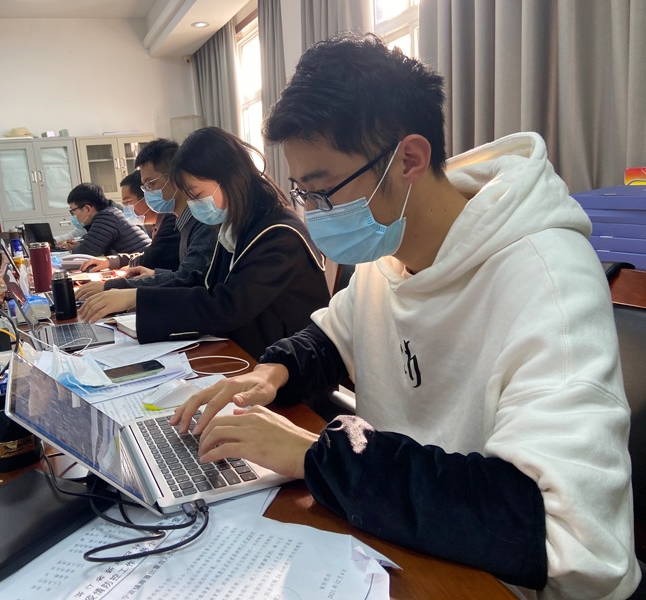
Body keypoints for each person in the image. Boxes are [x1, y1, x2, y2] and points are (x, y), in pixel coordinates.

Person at [170, 35, 640, 600]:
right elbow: (331, 336)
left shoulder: (548, 279)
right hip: (403, 543)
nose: (315, 214)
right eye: (303, 192)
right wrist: (271, 372)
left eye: (323, 191)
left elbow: (559, 533)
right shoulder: (387, 255)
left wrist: (316, 457)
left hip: (500, 579)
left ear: (409, 160)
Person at [78, 127, 331, 360]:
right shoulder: (237, 224)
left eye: (196, 194)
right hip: (249, 351)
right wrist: (134, 295)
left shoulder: (278, 233)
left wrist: (137, 297)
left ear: (229, 177)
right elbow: (202, 280)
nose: (193, 204)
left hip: (285, 366)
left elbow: (227, 305)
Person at [75, 138, 217, 295]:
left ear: (175, 177)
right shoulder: (182, 221)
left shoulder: (203, 221)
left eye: (150, 184)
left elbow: (188, 281)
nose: (148, 192)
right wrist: (155, 274)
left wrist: (113, 287)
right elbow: (186, 276)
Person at [80, 171, 180, 272]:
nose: (127, 208)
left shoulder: (171, 221)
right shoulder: (158, 224)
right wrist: (111, 261)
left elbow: (151, 259)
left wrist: (127, 265)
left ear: (147, 197)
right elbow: (147, 254)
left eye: (128, 202)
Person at [67, 183, 151, 257]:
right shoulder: (109, 214)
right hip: (140, 260)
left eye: (73, 210)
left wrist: (72, 248)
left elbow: (86, 252)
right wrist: (80, 244)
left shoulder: (106, 218)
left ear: (87, 209)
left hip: (146, 263)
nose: (74, 215)